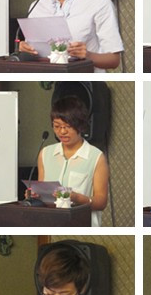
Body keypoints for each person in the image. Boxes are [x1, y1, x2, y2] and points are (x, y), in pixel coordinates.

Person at [30, 96, 109, 227]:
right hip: (50, 224)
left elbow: (101, 202)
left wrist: (77, 198)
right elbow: (43, 195)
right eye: (57, 126)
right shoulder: (45, 153)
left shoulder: (96, 157)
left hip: (81, 226)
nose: (62, 131)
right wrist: (34, 195)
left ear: (80, 126)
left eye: (68, 126)